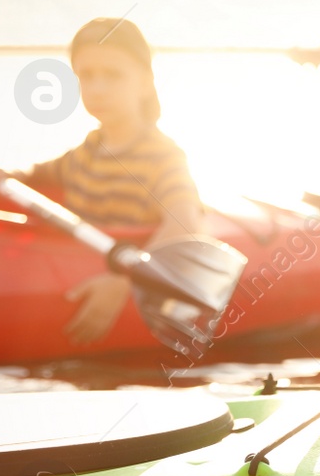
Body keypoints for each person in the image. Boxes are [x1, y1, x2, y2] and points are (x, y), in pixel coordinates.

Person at [21, 18, 204, 345]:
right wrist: (2, 176)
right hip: (72, 267)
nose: (97, 89)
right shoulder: (87, 152)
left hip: (121, 276)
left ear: (145, 83)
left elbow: (185, 224)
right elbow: (36, 175)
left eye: (113, 75)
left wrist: (124, 284)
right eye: (86, 76)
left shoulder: (162, 157)